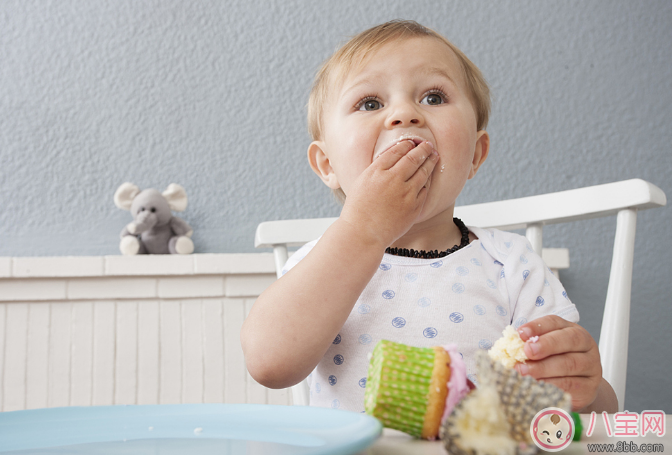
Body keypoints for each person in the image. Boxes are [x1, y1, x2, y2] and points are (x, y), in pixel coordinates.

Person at [241, 20, 618, 414]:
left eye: (434, 98)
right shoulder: (321, 265)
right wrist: (363, 230)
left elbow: (597, 410)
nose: (404, 114)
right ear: (326, 164)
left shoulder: (512, 264)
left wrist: (585, 391)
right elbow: (268, 363)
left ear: (475, 153)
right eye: (370, 103)